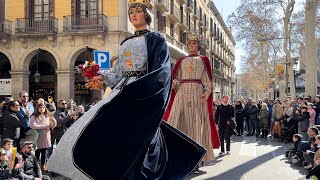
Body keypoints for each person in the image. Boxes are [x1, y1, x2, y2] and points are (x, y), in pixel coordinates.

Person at [47, 0, 206, 179]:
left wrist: (145, 89)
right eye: (131, 12)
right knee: (97, 121)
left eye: (138, 11)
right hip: (123, 89)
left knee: (137, 136)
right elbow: (118, 72)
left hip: (142, 92)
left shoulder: (156, 38)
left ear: (146, 15)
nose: (133, 15)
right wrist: (102, 78)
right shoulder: (125, 42)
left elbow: (161, 70)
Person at [164, 33, 220, 171]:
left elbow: (207, 80)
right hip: (182, 93)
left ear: (198, 45)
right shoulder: (181, 60)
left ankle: (195, 161)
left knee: (196, 128)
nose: (191, 46)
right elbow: (177, 78)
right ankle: (174, 157)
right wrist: (173, 83)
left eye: (194, 43)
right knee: (176, 123)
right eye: (189, 44)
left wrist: (207, 92)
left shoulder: (204, 60)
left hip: (197, 93)